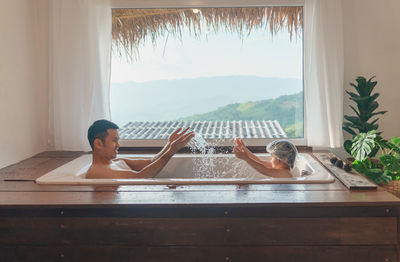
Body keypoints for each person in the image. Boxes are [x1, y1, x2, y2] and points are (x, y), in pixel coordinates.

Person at [86, 119, 194, 179]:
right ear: (98, 144)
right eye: (114, 140)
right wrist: (171, 151)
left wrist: (169, 144)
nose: (118, 145)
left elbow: (151, 162)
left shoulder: (116, 161)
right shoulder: (97, 172)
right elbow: (140, 177)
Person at [233, 138, 297, 178]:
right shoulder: (277, 167)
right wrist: (245, 149)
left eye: (272, 157)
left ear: (283, 159)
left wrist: (246, 158)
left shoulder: (285, 174)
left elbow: (264, 170)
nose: (271, 160)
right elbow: (259, 162)